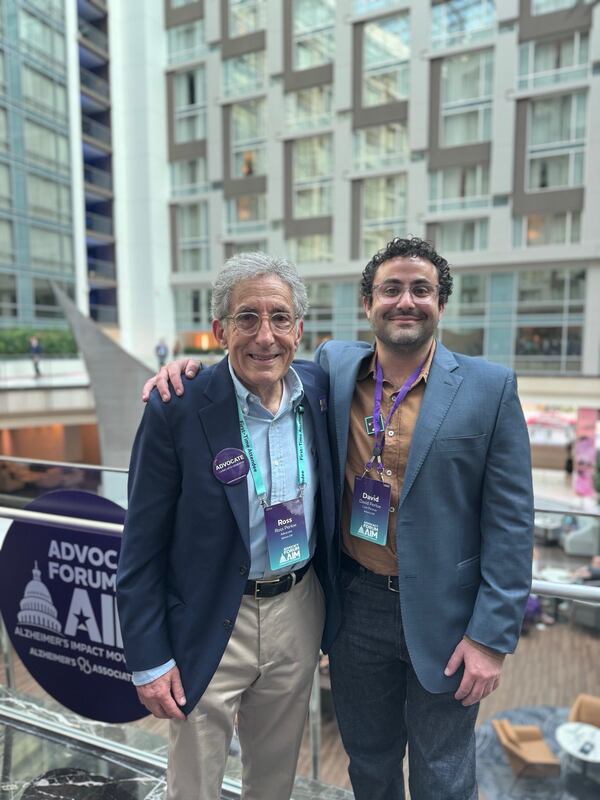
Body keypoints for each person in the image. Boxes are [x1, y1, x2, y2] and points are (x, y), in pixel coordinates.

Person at [144, 237, 534, 800]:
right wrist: (191, 371)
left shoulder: (490, 388)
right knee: (369, 763)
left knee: (443, 772)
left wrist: (492, 638)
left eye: (420, 289)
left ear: (440, 305)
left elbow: (513, 522)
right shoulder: (333, 369)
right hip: (355, 608)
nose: (405, 301)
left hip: (449, 618)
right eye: (390, 289)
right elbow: (257, 357)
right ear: (367, 304)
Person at [117, 252, 340, 800]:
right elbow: (141, 544)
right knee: (193, 779)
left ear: (299, 329)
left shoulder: (320, 391)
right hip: (212, 613)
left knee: (275, 775)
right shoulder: (178, 404)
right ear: (219, 330)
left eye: (280, 318)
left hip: (297, 607)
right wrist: (147, 659)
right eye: (247, 318)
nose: (265, 336)